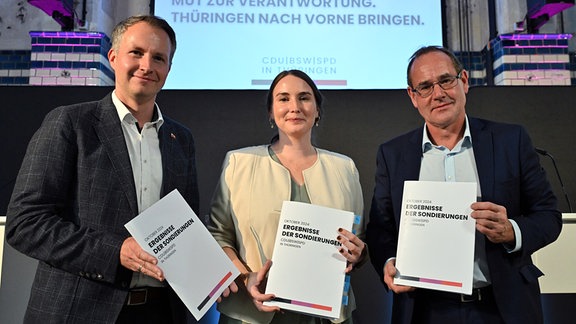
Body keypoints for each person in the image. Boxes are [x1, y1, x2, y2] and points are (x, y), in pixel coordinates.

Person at [5, 15, 227, 323]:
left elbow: (184, 231)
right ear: (113, 57)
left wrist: (227, 276)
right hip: (79, 313)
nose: (147, 65)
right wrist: (114, 251)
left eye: (159, 58)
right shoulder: (70, 124)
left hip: (160, 312)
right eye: (136, 53)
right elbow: (25, 224)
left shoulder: (181, 139)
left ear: (168, 70)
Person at [366, 45, 562, 324]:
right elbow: (380, 229)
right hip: (424, 311)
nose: (438, 94)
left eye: (446, 80)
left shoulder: (510, 141)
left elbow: (548, 216)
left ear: (464, 81)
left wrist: (511, 231)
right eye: (425, 87)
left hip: (503, 308)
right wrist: (388, 262)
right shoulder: (393, 154)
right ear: (413, 96)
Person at [208, 69, 367, 323]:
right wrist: (245, 278)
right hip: (251, 312)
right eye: (283, 98)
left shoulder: (344, 168)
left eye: (304, 98)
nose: (295, 106)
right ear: (271, 112)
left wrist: (358, 253)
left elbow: (357, 237)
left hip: (326, 314)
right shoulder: (239, 162)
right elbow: (218, 235)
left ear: (317, 110)